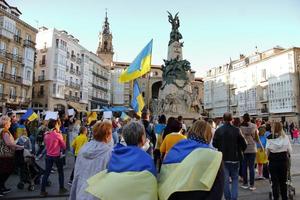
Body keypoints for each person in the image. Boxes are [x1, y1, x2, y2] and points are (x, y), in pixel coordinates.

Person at [85, 121, 157, 200]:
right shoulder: (148, 160)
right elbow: (151, 188)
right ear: (143, 139)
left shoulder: (113, 155)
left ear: (125, 138)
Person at [159, 120, 224, 200]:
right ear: (208, 135)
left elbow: (164, 177)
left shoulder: (175, 148)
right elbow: (217, 190)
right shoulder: (214, 156)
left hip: (172, 195)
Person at [69, 120, 113, 200]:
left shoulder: (83, 149)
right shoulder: (109, 153)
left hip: (81, 192)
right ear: (107, 135)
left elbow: (77, 174)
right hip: (97, 195)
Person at [213, 112, 247, 200]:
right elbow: (244, 144)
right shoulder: (237, 130)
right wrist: (241, 150)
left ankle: (228, 198)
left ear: (223, 119)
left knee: (225, 180)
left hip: (223, 158)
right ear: (232, 119)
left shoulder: (218, 130)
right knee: (235, 179)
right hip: (235, 158)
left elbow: (214, 144)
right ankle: (234, 198)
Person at [40, 119, 67, 197]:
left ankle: (42, 191)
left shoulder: (46, 134)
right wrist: (60, 135)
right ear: (56, 126)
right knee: (60, 172)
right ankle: (61, 188)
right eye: (58, 124)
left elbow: (45, 144)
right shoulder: (58, 135)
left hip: (48, 155)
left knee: (46, 173)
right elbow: (64, 146)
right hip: (57, 156)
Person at [266, 122, 292, 200]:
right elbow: (290, 150)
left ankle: (276, 197)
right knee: (283, 182)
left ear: (273, 128)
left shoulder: (269, 138)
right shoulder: (285, 137)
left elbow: (267, 152)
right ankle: (284, 197)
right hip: (283, 162)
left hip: (273, 162)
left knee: (274, 183)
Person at [0, 116, 24, 196]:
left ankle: (2, 187)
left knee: (4, 171)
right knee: (6, 171)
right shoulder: (5, 131)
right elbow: (8, 143)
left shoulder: (2, 131)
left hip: (3, 154)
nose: (10, 123)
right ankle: (1, 188)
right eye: (9, 122)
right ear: (6, 123)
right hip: (6, 155)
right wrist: (19, 147)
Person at [240, 113, 262, 191]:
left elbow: (240, 138)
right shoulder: (254, 126)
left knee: (244, 166)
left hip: (244, 148)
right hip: (253, 147)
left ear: (243, 118)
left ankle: (245, 183)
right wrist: (261, 146)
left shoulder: (241, 127)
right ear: (250, 118)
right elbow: (257, 137)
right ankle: (252, 185)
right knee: (252, 167)